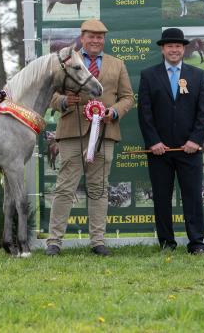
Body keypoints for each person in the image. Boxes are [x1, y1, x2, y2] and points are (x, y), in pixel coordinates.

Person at [45, 19, 135, 256]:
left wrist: (113, 111)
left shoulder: (117, 64)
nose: (96, 40)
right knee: (65, 187)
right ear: (82, 37)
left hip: (104, 133)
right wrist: (62, 101)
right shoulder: (66, 61)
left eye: (100, 37)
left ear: (104, 40)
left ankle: (98, 241)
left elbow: (127, 97)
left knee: (99, 188)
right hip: (71, 132)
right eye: (91, 36)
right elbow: (50, 94)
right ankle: (54, 241)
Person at [138, 28, 204, 255]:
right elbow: (145, 113)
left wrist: (195, 140)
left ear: (183, 49)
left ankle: (196, 243)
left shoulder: (197, 75)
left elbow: (203, 112)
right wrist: (153, 142)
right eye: (169, 46)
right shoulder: (149, 75)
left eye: (178, 46)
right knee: (161, 198)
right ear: (162, 49)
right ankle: (166, 243)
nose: (174, 49)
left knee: (193, 198)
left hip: (189, 150)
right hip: (159, 151)